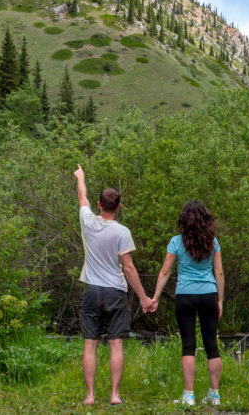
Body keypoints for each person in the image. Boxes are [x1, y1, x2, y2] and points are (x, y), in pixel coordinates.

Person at [74, 164, 155, 407]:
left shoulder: (88, 221)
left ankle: (90, 396)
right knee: (116, 343)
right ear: (118, 207)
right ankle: (114, 395)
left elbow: (81, 195)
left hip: (93, 291)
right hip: (115, 292)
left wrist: (81, 176)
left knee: (90, 344)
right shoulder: (122, 232)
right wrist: (143, 297)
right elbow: (128, 268)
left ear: (99, 205)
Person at [151, 200, 225, 407]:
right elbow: (219, 272)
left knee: (188, 346)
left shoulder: (176, 242)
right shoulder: (213, 242)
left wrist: (155, 297)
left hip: (185, 296)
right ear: (205, 219)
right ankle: (215, 395)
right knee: (212, 346)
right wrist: (220, 299)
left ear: (184, 219)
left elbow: (165, 271)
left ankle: (189, 396)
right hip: (209, 294)